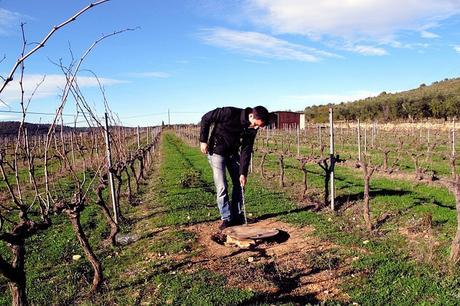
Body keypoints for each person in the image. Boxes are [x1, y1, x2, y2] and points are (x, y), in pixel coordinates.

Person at [199, 106, 270, 230]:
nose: (257, 128)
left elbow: (246, 150)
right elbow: (206, 118)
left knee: (239, 183)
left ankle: (236, 215)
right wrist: (203, 140)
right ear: (251, 116)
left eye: (260, 126)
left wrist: (243, 173)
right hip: (217, 152)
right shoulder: (229, 113)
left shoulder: (252, 128)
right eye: (257, 124)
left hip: (232, 154)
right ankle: (226, 218)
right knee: (222, 186)